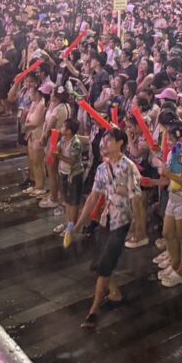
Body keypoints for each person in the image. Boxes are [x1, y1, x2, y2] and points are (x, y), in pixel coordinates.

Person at [72, 127, 143, 329]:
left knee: (104, 266)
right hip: (107, 219)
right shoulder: (102, 169)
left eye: (109, 140)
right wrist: (78, 224)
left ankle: (93, 311)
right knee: (99, 263)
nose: (104, 143)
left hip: (122, 221)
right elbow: (93, 197)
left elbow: (137, 198)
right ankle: (115, 294)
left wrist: (139, 227)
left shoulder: (128, 167)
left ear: (120, 143)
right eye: (104, 140)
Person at [155, 123, 182, 287]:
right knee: (167, 233)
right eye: (168, 139)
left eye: (171, 139)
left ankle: (181, 269)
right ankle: (174, 263)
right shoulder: (172, 153)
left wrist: (170, 175)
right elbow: (168, 175)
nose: (168, 142)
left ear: (180, 139)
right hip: (173, 196)